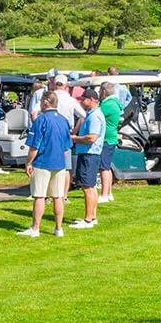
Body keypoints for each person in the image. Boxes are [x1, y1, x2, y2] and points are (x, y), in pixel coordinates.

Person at [19, 92, 72, 238]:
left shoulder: (40, 120)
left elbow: (34, 146)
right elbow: (67, 147)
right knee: (58, 196)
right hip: (59, 164)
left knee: (40, 196)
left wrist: (28, 162)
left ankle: (35, 228)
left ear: (46, 103)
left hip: (42, 162)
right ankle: (58, 228)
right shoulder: (64, 120)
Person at [69, 89, 107, 229]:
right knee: (90, 187)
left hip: (89, 154)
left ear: (91, 100)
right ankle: (92, 216)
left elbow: (92, 138)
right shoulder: (91, 115)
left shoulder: (95, 116)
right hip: (90, 154)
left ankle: (88, 219)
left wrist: (75, 139)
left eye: (83, 99)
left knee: (87, 187)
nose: (81, 102)